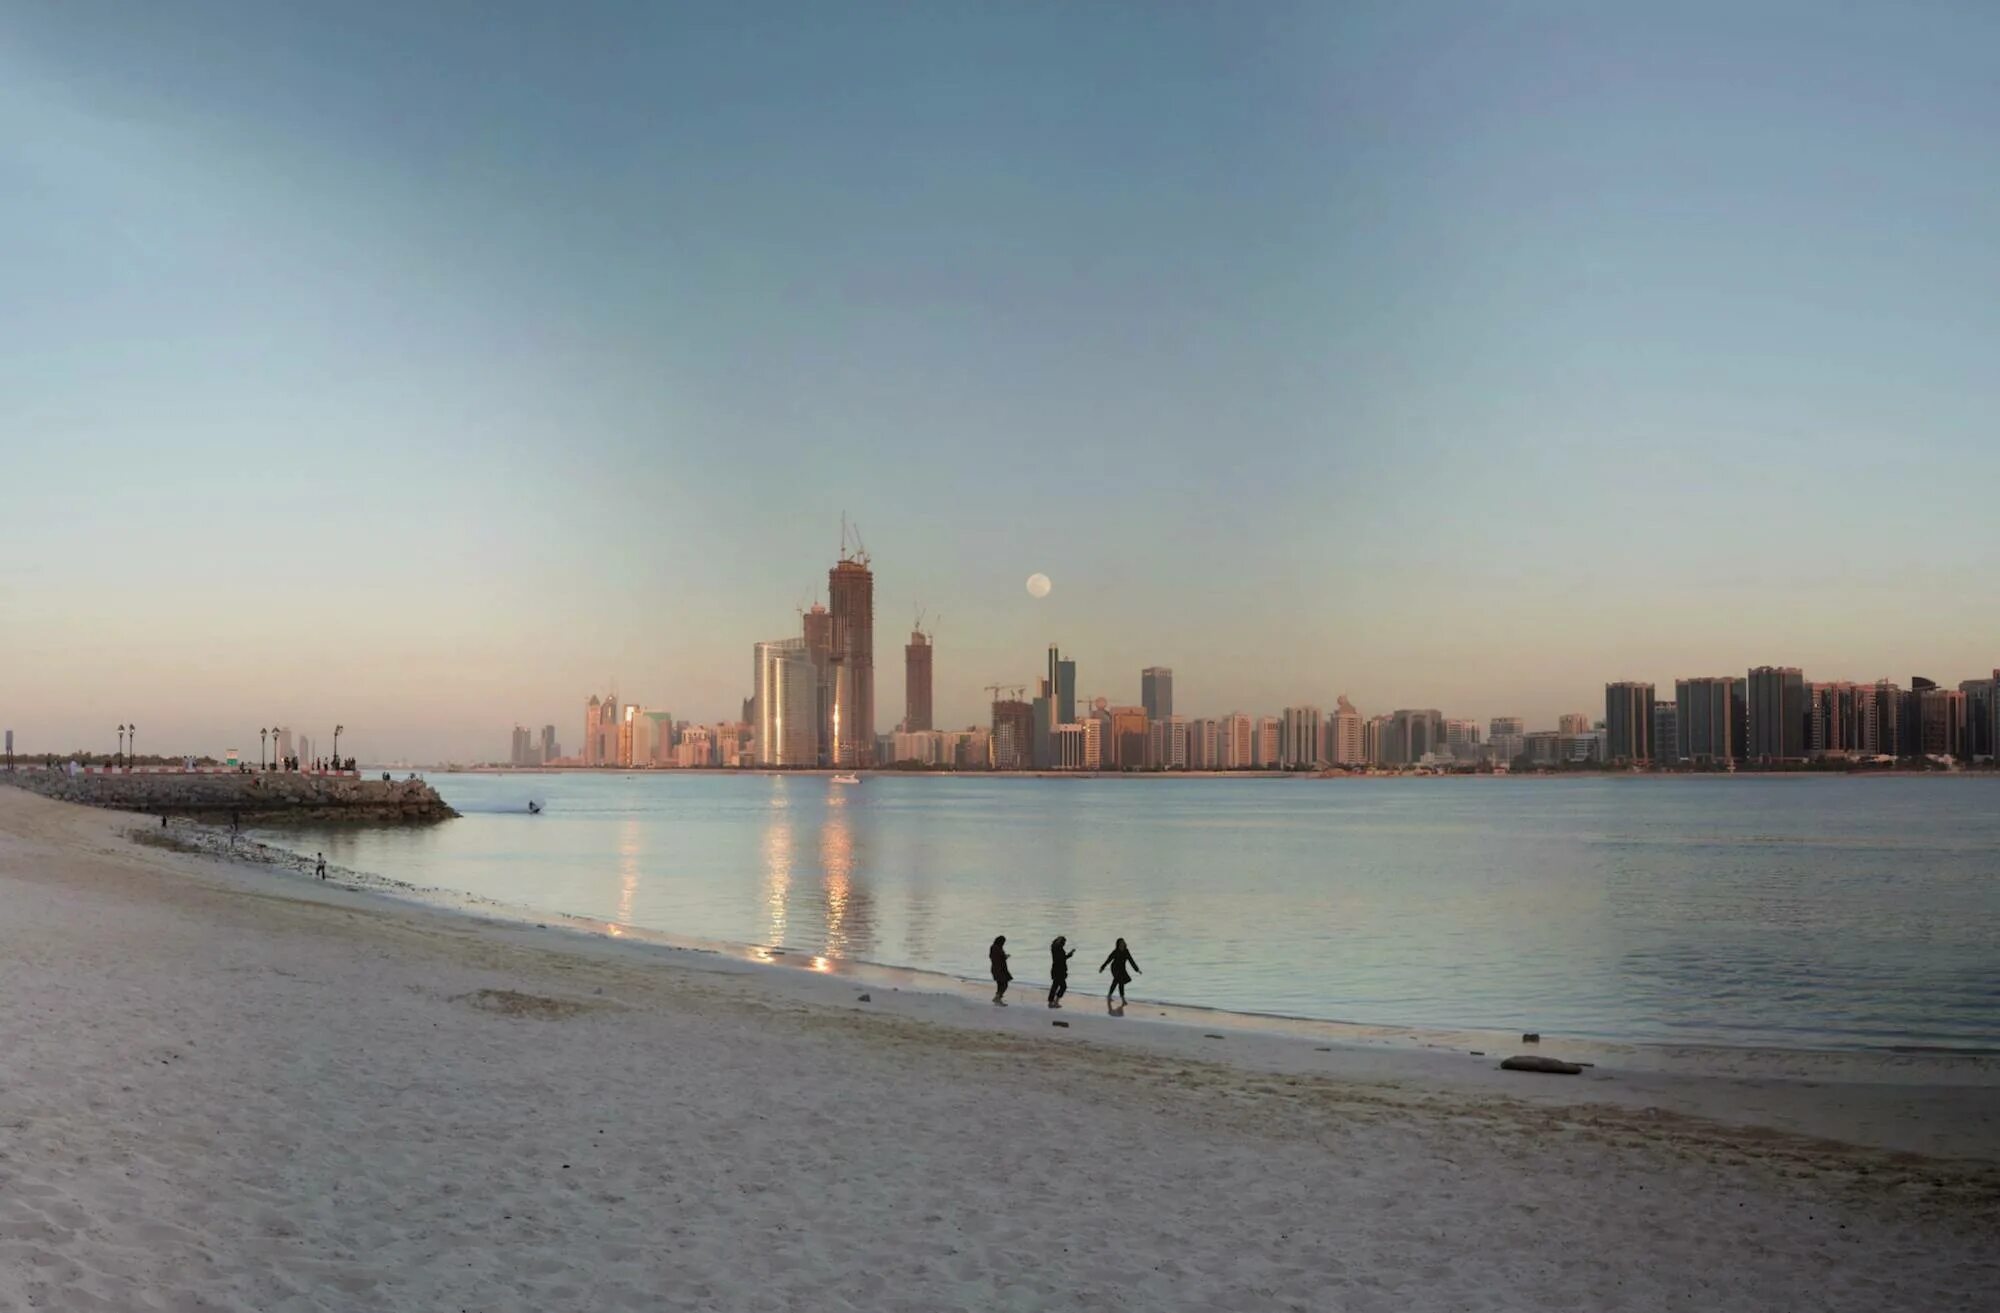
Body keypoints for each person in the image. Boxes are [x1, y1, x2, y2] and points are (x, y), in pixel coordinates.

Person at [1100, 937, 1141, 1005]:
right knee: (1120, 981)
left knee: (1117, 981)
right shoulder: (1115, 951)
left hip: (1122, 969)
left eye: (1123, 942)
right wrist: (1102, 967)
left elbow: (1131, 960)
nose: (1122, 943)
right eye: (1121, 942)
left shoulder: (1126, 951)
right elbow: (1109, 959)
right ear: (1118, 944)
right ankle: (1123, 999)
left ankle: (1109, 995)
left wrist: (1137, 970)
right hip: (1115, 968)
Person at [1047, 935, 1075, 1008]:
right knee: (1063, 986)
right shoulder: (1057, 948)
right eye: (1064, 942)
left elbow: (1060, 958)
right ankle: (1055, 1001)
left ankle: (1051, 1002)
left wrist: (1068, 955)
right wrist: (1068, 955)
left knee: (1055, 986)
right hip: (1059, 970)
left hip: (1057, 969)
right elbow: (1060, 959)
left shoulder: (1055, 948)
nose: (1064, 944)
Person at [989, 935, 1011, 1005]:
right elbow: (1001, 957)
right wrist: (1005, 956)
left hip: (995, 968)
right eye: (1003, 942)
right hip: (1000, 969)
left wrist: (1004, 957)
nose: (1004, 943)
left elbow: (992, 957)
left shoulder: (993, 947)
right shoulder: (997, 948)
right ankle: (997, 998)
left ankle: (998, 998)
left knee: (1000, 984)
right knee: (1004, 984)